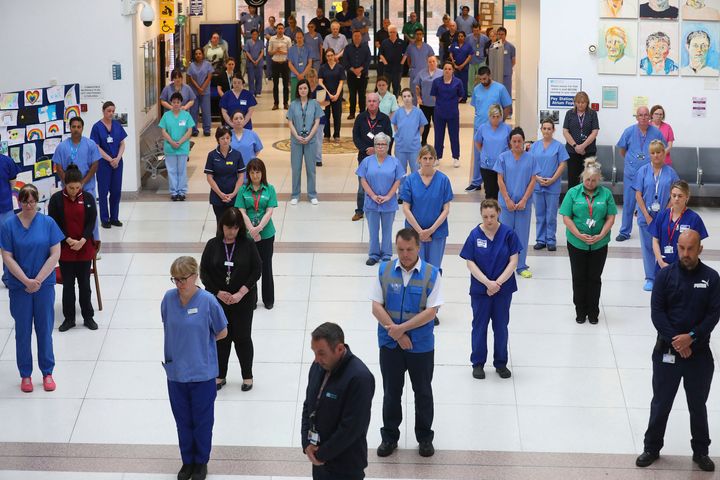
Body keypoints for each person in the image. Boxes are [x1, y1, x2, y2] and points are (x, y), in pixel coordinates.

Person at [636, 229, 719, 473]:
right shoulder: (664, 276)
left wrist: (691, 338)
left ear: (700, 249)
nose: (685, 253)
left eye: (690, 248)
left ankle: (701, 451)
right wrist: (677, 341)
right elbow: (657, 313)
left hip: (699, 354)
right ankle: (652, 448)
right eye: (681, 248)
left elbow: (713, 314)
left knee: (697, 404)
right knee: (661, 402)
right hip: (667, 352)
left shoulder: (712, 278)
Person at [371, 227, 442, 458]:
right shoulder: (385, 269)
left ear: (418, 248)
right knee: (391, 392)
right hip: (390, 345)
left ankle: (424, 438)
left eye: (409, 249)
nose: (405, 254)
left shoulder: (432, 274)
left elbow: (431, 312)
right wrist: (397, 335)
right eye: (400, 250)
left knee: (422, 392)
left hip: (420, 346)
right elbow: (376, 306)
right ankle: (389, 437)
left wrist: (402, 330)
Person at [161, 256, 228, 480]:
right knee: (182, 420)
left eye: (183, 279)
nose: (179, 284)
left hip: (202, 373)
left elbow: (222, 331)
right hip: (176, 373)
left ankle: (201, 462)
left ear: (195, 276)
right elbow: (168, 324)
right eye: (175, 279)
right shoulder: (168, 299)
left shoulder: (208, 301)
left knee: (202, 421)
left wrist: (200, 343)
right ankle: (187, 461)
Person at [1, 184, 64, 393]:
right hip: (20, 287)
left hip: (44, 285)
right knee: (23, 331)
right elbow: (7, 256)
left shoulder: (48, 223)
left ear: (38, 202)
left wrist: (37, 279)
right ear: (19, 202)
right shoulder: (9, 226)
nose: (29, 205)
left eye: (32, 201)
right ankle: (25, 374)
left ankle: (47, 372)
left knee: (45, 329)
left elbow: (55, 253)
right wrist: (26, 281)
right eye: (25, 201)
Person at [301, 322, 375, 480]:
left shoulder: (359, 378)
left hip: (345, 466)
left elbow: (351, 427)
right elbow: (308, 405)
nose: (316, 359)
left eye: (322, 353)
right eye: (314, 352)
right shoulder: (317, 367)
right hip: (319, 460)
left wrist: (321, 454)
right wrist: (307, 444)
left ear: (340, 349)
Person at [200, 208, 261, 393]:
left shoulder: (248, 245)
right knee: (221, 338)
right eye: (228, 227)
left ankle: (247, 375)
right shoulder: (212, 245)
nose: (231, 232)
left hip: (243, 300)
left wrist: (240, 293)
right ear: (222, 226)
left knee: (242, 338)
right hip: (219, 301)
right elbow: (204, 273)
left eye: (235, 228)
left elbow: (256, 270)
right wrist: (218, 293)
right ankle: (220, 374)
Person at [460, 198, 520, 379]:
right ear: (481, 215)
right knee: (479, 326)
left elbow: (513, 262)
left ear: (499, 214)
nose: (489, 220)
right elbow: (470, 263)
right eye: (485, 216)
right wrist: (487, 283)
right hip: (481, 290)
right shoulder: (474, 235)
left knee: (501, 326)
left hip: (503, 290)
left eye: (492, 216)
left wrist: (497, 284)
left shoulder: (508, 234)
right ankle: (478, 363)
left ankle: (501, 363)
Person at [559, 159, 617, 324]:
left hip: (599, 243)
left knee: (594, 277)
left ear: (599, 179)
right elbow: (566, 217)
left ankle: (593, 311)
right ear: (582, 177)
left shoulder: (606, 194)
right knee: (578, 277)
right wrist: (578, 234)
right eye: (587, 180)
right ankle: (580, 310)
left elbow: (610, 218)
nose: (590, 183)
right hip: (577, 243)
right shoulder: (573, 193)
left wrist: (601, 235)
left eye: (593, 180)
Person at [47, 164, 98, 332]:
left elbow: (91, 222)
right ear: (64, 185)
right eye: (71, 188)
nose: (75, 191)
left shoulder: (89, 198)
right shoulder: (56, 200)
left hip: (84, 248)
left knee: (85, 284)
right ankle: (69, 318)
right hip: (65, 249)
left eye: (78, 187)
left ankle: (88, 316)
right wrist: (67, 239)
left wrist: (83, 240)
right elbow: (54, 223)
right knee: (68, 285)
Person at [633, 140, 679, 291]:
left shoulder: (671, 173)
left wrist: (666, 212)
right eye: (652, 153)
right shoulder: (643, 171)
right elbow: (638, 194)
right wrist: (646, 215)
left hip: (665, 215)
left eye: (659, 152)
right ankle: (650, 278)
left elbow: (676, 194)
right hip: (646, 216)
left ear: (664, 153)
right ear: (649, 155)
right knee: (647, 247)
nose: (656, 155)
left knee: (664, 246)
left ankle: (664, 276)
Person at [494, 127, 539, 278]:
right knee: (505, 234)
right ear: (510, 143)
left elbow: (533, 180)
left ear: (523, 142)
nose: (517, 144)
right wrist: (507, 199)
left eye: (520, 141)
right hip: (506, 204)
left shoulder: (531, 158)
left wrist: (524, 199)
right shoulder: (503, 157)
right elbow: (499, 179)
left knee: (522, 235)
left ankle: (521, 266)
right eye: (514, 141)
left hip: (523, 205)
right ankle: (504, 264)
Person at [400, 144, 453, 272]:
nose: (428, 161)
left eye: (430, 158)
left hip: (437, 232)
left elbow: (446, 209)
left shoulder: (443, 180)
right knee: (416, 269)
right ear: (419, 159)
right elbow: (406, 208)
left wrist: (430, 230)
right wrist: (420, 232)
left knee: (434, 269)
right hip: (414, 233)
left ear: (435, 160)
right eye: (425, 158)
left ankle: (434, 292)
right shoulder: (410, 180)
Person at [616, 106, 665, 241]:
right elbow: (622, 150)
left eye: (646, 115)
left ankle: (653, 228)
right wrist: (631, 161)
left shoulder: (656, 133)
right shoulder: (629, 131)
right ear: (636, 117)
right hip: (631, 174)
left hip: (650, 175)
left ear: (649, 117)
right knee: (629, 203)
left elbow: (662, 150)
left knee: (651, 203)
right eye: (640, 115)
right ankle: (624, 232)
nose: (643, 117)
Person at [356, 133, 404, 265]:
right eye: (378, 144)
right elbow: (363, 179)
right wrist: (372, 195)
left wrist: (388, 196)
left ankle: (387, 254)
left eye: (383, 144)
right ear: (374, 146)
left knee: (387, 230)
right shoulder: (367, 161)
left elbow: (398, 180)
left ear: (388, 146)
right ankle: (374, 254)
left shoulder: (395, 162)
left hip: (389, 203)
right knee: (373, 230)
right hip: (372, 202)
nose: (380, 147)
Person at [236, 158, 277, 309]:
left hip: (266, 234)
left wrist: (258, 228)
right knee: (249, 268)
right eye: (252, 172)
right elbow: (241, 211)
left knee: (266, 266)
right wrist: (251, 230)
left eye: (258, 172)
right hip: (247, 235)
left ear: (263, 173)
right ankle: (251, 300)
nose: (255, 175)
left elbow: (269, 211)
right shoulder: (243, 190)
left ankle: (268, 300)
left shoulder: (269, 189)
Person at [53, 116, 102, 241]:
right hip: (68, 191)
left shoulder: (90, 145)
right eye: (73, 127)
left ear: (82, 128)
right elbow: (58, 167)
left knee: (91, 217)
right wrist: (69, 184)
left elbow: (95, 165)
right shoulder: (62, 147)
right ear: (69, 128)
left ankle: (94, 244)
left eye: (78, 127)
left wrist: (82, 183)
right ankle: (70, 242)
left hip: (87, 188)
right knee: (70, 218)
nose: (76, 129)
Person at [351, 93, 393, 222]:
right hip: (364, 157)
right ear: (366, 102)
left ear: (378, 103)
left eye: (374, 101)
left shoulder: (384, 119)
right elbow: (355, 137)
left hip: (381, 157)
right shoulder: (360, 118)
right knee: (362, 185)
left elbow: (389, 137)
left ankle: (383, 205)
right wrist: (365, 149)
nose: (372, 103)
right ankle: (360, 210)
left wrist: (377, 150)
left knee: (382, 182)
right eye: (369, 101)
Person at [650, 180, 708, 271]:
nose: (676, 198)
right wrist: (661, 262)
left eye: (680, 196)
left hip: (685, 269)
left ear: (687, 197)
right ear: (670, 196)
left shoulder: (694, 218)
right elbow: (655, 240)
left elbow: (696, 247)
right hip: (662, 266)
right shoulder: (662, 215)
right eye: (674, 195)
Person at [532, 118, 569, 252]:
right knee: (539, 215)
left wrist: (553, 179)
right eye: (544, 128)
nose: (546, 131)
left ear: (553, 130)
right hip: (537, 185)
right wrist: (537, 178)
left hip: (552, 186)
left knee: (551, 215)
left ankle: (551, 240)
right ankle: (540, 240)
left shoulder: (559, 146)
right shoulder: (535, 146)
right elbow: (530, 164)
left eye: (549, 128)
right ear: (541, 129)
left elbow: (562, 164)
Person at [90, 101, 127, 229]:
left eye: (113, 111)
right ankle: (105, 219)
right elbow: (96, 146)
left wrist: (117, 158)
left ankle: (114, 218)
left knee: (116, 191)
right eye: (108, 111)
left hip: (117, 163)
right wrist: (110, 159)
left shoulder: (117, 125)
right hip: (104, 164)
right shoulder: (97, 127)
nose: (111, 113)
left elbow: (122, 143)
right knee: (103, 191)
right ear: (103, 111)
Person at [287, 80, 324, 205]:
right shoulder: (293, 104)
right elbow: (290, 122)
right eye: (300, 88)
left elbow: (317, 122)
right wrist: (296, 135)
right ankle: (295, 194)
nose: (303, 90)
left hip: (311, 140)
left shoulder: (314, 104)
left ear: (309, 89)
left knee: (311, 168)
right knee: (296, 168)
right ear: (297, 90)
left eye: (305, 88)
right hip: (296, 140)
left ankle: (312, 194)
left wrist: (309, 136)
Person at [159, 92, 195, 201]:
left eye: (178, 102)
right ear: (171, 103)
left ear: (181, 103)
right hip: (170, 148)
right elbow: (163, 131)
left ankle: (182, 191)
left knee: (182, 170)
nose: (176, 104)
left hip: (183, 147)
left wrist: (180, 142)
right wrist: (172, 142)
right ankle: (174, 192)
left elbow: (189, 131)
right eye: (174, 102)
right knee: (172, 170)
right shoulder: (166, 115)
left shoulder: (186, 115)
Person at [205, 127, 246, 222]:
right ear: (218, 140)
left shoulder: (237, 155)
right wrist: (220, 194)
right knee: (220, 224)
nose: (225, 141)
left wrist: (233, 194)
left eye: (227, 138)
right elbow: (209, 177)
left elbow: (241, 176)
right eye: (222, 138)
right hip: (217, 197)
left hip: (234, 197)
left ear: (231, 138)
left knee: (234, 224)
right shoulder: (212, 155)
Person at [471, 104, 512, 197]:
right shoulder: (483, 128)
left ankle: (501, 211)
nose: (496, 119)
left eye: (498, 117)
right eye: (493, 117)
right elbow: (477, 142)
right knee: (489, 192)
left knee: (502, 192)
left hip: (502, 166)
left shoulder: (507, 128)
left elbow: (511, 144)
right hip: (487, 166)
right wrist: (484, 152)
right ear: (489, 116)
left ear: (501, 116)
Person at [562, 91, 600, 189]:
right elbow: (565, 131)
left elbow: (595, 132)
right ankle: (574, 202)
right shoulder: (569, 114)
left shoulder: (592, 114)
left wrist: (583, 146)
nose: (580, 104)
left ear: (587, 103)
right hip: (572, 152)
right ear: (575, 102)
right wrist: (575, 146)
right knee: (573, 179)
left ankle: (588, 201)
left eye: (583, 102)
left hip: (589, 151)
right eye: (578, 102)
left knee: (590, 178)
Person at [430, 62, 464, 168]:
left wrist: (451, 104)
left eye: (449, 69)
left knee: (454, 136)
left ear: (453, 70)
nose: (447, 71)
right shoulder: (436, 82)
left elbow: (460, 96)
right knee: (438, 136)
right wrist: (442, 104)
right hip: (439, 113)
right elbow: (434, 96)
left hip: (453, 113)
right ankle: (437, 157)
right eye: (445, 69)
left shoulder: (458, 82)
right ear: (443, 70)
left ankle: (456, 157)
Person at [391, 88, 428, 178]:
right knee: (401, 173)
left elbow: (422, 126)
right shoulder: (398, 112)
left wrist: (417, 136)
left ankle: (415, 191)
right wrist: (399, 136)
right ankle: (402, 191)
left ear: (412, 97)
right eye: (404, 96)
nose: (407, 98)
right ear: (402, 98)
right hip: (400, 147)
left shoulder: (418, 112)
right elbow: (395, 125)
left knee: (416, 172)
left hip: (414, 147)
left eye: (408, 96)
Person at [318, 48, 346, 143]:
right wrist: (328, 94)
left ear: (334, 56)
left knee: (337, 115)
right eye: (328, 56)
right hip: (325, 95)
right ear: (326, 57)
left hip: (337, 94)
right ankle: (326, 135)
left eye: (331, 55)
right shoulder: (322, 68)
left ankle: (337, 134)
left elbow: (341, 82)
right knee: (326, 115)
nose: (330, 57)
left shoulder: (340, 67)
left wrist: (337, 94)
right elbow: (320, 82)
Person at [414, 55, 443, 146]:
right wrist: (418, 97)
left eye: (433, 61)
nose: (432, 63)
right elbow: (417, 86)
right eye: (430, 61)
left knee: (438, 125)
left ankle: (439, 143)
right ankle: (423, 141)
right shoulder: (422, 73)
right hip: (424, 103)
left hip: (438, 104)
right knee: (425, 124)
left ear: (437, 62)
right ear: (427, 63)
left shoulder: (441, 73)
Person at [344, 29, 371, 120]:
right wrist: (352, 69)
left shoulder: (366, 47)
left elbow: (368, 60)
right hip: (351, 75)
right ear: (352, 37)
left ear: (361, 37)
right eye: (355, 36)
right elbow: (345, 60)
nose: (357, 38)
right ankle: (352, 113)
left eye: (358, 36)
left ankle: (362, 113)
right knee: (352, 95)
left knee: (362, 95)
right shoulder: (348, 48)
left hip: (363, 74)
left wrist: (360, 69)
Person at [187, 48, 214, 137]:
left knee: (206, 111)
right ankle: (194, 129)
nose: (198, 55)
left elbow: (209, 77)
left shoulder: (207, 65)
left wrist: (202, 88)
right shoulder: (191, 66)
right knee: (193, 111)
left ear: (203, 54)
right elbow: (191, 78)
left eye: (199, 53)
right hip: (194, 92)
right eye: (196, 54)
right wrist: (198, 88)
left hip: (205, 92)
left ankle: (206, 129)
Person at [306, 68, 328, 166]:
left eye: (313, 77)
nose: (311, 79)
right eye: (309, 77)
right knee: (308, 139)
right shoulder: (304, 88)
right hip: (307, 118)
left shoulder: (320, 89)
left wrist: (319, 103)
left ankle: (318, 159)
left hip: (319, 117)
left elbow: (328, 102)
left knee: (318, 139)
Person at [269, 23, 292, 110]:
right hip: (275, 63)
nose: (280, 30)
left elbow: (291, 52)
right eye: (278, 28)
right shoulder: (272, 39)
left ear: (284, 30)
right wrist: (275, 51)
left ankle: (286, 103)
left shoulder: (287, 39)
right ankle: (276, 104)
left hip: (285, 63)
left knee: (286, 85)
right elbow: (269, 52)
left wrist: (283, 52)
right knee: (275, 85)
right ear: (276, 29)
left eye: (282, 28)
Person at [379, 25, 406, 95]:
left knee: (396, 87)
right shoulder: (384, 42)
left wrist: (401, 63)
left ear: (396, 32)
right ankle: (386, 101)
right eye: (391, 32)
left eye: (394, 32)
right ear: (388, 33)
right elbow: (381, 54)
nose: (392, 33)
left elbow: (405, 54)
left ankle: (395, 101)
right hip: (387, 69)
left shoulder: (401, 42)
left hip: (398, 69)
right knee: (386, 86)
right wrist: (385, 63)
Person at [449, 31, 474, 102]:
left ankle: (463, 98)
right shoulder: (454, 44)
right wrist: (454, 63)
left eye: (462, 36)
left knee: (464, 83)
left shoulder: (468, 46)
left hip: (464, 68)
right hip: (456, 67)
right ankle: (456, 97)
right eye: (459, 36)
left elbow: (470, 56)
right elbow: (451, 53)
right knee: (455, 82)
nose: (460, 38)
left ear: (464, 37)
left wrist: (462, 65)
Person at [288, 30, 312, 102]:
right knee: (294, 96)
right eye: (297, 38)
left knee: (305, 95)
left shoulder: (308, 48)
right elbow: (290, 63)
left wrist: (303, 74)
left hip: (305, 75)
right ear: (295, 38)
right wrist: (298, 74)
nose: (299, 39)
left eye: (300, 37)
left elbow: (310, 63)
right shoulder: (291, 49)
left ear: (303, 38)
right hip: (295, 76)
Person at [493, 27, 516, 98]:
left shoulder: (511, 47)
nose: (500, 36)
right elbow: (492, 59)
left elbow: (513, 61)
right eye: (499, 34)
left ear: (505, 35)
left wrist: (508, 67)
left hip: (506, 73)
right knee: (497, 92)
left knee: (507, 91)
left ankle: (508, 108)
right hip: (497, 74)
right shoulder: (494, 46)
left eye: (502, 34)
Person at [0, 152, 19, 226]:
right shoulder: (7, 161)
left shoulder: (7, 161)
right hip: (5, 205)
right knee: (7, 234)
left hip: (5, 208)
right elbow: (12, 184)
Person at [244, 31, 265, 97]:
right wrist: (253, 61)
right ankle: (252, 92)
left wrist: (257, 60)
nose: (255, 35)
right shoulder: (248, 42)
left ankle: (258, 92)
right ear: (251, 35)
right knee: (251, 77)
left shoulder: (260, 42)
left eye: (256, 34)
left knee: (259, 77)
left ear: (258, 35)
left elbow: (262, 52)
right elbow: (247, 52)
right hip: (250, 62)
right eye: (253, 34)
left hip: (259, 62)